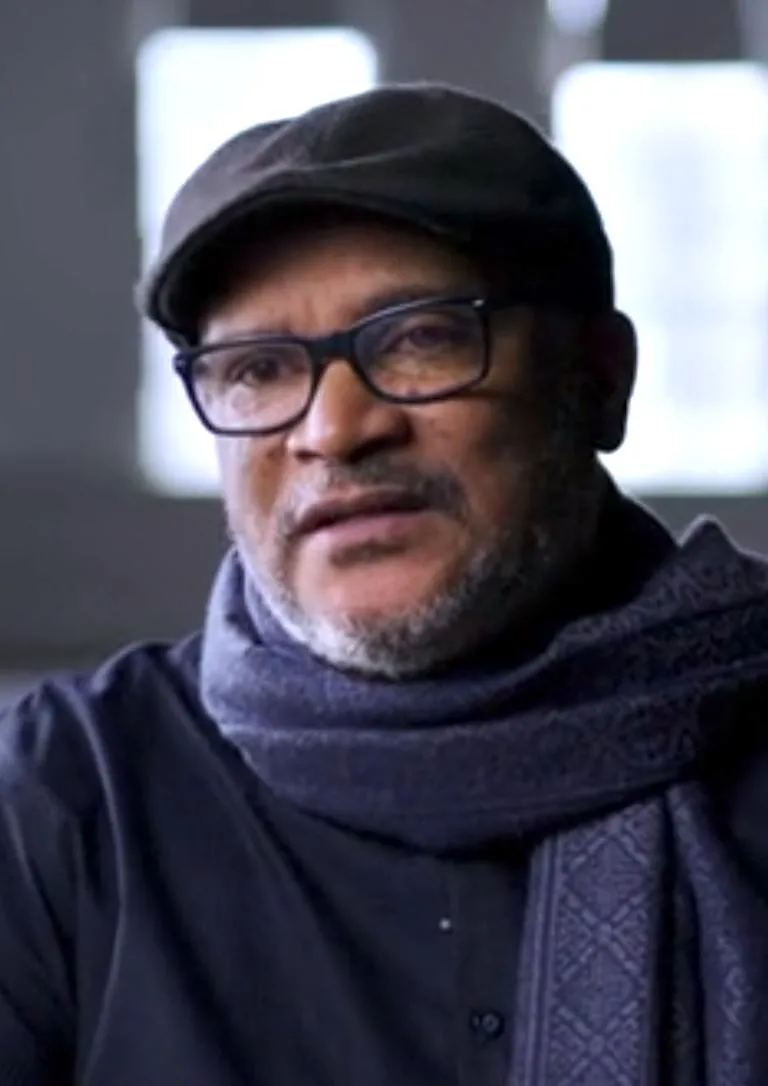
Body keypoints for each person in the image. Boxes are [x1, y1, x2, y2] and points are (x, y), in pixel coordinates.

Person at [1, 82, 767, 1086]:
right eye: (258, 369)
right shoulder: (67, 798)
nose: (334, 430)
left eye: (419, 338)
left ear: (599, 378)